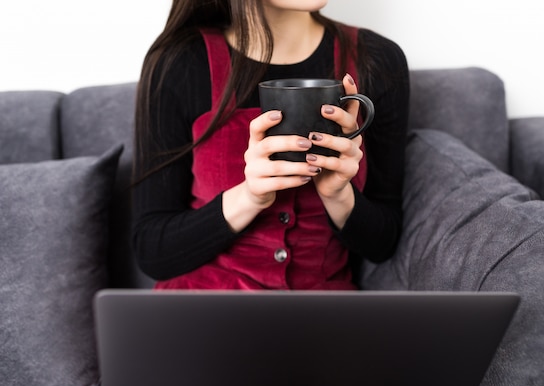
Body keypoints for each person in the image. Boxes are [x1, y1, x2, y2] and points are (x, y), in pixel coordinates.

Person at [132, 0, 409, 290]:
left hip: (323, 320)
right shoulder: (180, 61)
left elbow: (384, 243)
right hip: (204, 315)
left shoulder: (377, 59)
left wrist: (338, 195)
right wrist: (249, 198)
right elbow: (152, 250)